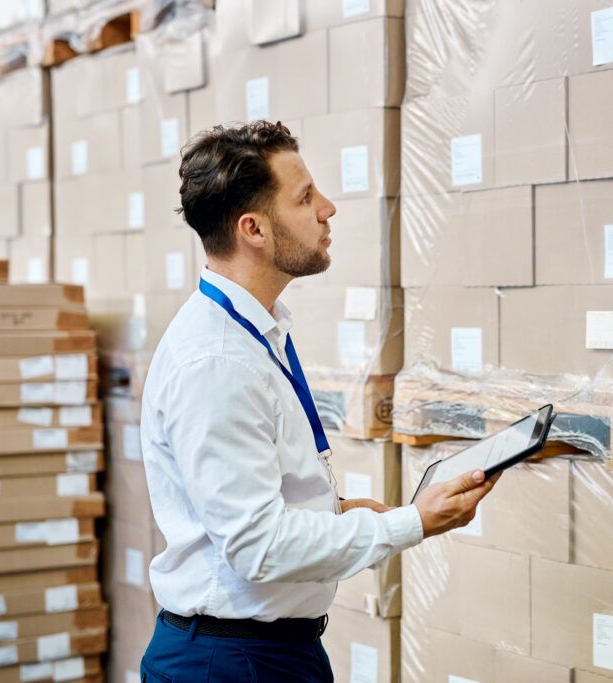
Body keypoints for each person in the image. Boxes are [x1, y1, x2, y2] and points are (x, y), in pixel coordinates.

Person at [138, 121, 498, 682]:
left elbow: (255, 504)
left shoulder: (257, 333)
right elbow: (256, 546)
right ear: (253, 229)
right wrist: (413, 523)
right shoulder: (218, 361)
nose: (327, 209)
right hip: (228, 663)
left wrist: (335, 512)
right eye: (305, 198)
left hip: (268, 652)